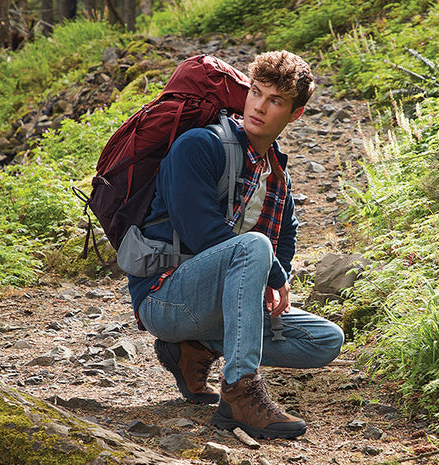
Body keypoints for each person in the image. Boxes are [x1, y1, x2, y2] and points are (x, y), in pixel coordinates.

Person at [127, 51, 344, 439]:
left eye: (275, 100)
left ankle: (195, 348)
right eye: (256, 92)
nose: (259, 106)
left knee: (324, 340)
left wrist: (280, 275)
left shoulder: (275, 170)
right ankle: (240, 392)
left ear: (294, 114)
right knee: (254, 246)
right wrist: (273, 274)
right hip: (165, 298)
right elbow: (202, 235)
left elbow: (287, 234)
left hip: (220, 305)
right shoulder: (199, 145)